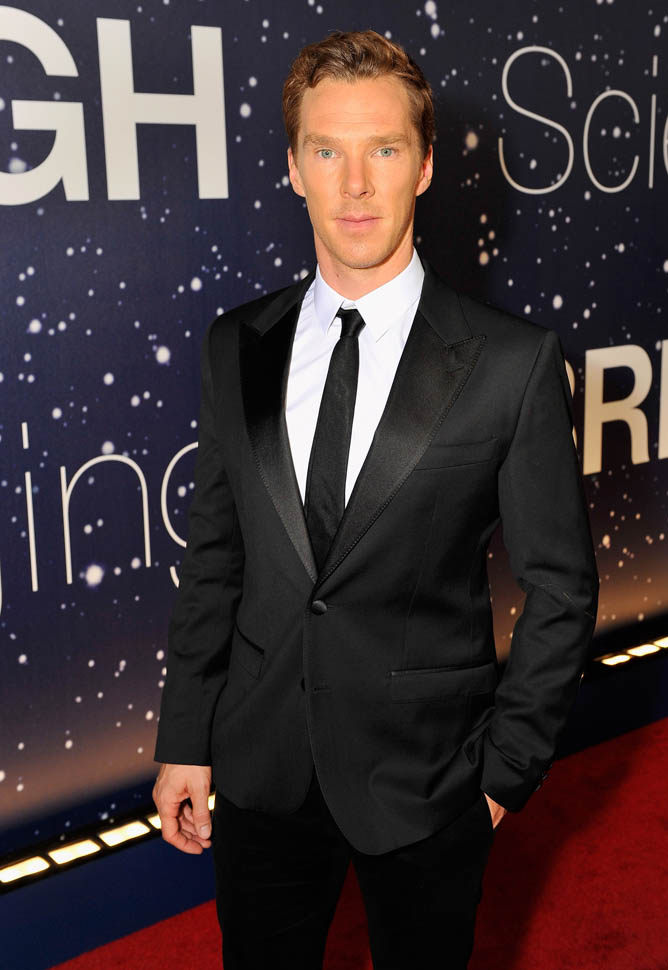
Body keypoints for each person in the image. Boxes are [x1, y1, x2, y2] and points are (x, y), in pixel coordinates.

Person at [152, 28, 599, 970]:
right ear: (293, 167)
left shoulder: (511, 363)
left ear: (425, 166)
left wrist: (502, 776)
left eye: (384, 150)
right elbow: (216, 559)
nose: (355, 184)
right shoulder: (235, 345)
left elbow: (561, 588)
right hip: (262, 769)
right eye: (328, 151)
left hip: (430, 782)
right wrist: (186, 738)